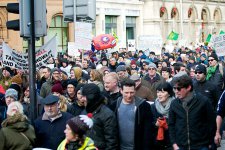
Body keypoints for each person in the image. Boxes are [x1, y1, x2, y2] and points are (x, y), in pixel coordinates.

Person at [169, 72, 215, 150]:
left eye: (179, 88)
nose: (176, 91)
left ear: (188, 88)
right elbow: (171, 124)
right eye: (174, 88)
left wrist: (210, 143)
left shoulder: (203, 101)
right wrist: (174, 144)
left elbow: (211, 123)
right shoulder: (174, 104)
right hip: (181, 146)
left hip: (201, 145)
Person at [111, 78, 155, 150]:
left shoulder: (144, 106)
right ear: (121, 91)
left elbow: (148, 131)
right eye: (126, 92)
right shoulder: (114, 105)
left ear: (135, 91)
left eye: (131, 92)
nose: (129, 95)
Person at [81, 83, 118, 150]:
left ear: (91, 97)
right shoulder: (85, 111)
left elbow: (111, 143)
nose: (82, 99)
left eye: (84, 96)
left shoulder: (107, 115)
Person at [151, 82, 174, 150]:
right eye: (158, 92)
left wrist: (167, 124)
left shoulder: (175, 105)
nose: (159, 95)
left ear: (169, 93)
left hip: (172, 142)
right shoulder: (153, 106)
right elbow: (149, 123)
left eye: (163, 92)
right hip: (157, 143)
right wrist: (156, 124)